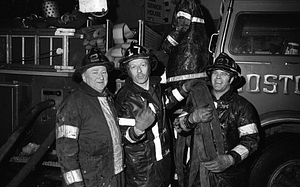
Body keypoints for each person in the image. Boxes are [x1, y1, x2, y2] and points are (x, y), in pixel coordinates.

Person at [115, 42, 195, 187]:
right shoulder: (125, 99)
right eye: (133, 67)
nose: (139, 71)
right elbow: (119, 138)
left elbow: (166, 101)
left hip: (163, 164)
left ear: (150, 66)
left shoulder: (155, 88)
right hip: (141, 171)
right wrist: (137, 130)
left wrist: (184, 89)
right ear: (128, 70)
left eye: (143, 65)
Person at [174, 52, 260, 187]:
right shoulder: (197, 99)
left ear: (231, 79)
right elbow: (178, 128)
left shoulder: (242, 106)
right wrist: (192, 118)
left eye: (224, 74)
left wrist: (230, 159)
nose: (218, 78)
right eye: (215, 73)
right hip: (197, 173)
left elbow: (251, 140)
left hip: (228, 176)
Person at [55, 49, 124, 187]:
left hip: (115, 175)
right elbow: (65, 152)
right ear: (84, 77)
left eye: (103, 72)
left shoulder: (108, 99)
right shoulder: (74, 103)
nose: (101, 77)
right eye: (95, 72)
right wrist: (76, 185)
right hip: (92, 179)